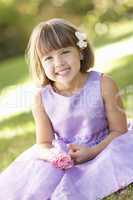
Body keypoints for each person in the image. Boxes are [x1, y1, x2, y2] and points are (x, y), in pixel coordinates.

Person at [0, 18, 133, 200]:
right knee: (40, 179)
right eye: (48, 58)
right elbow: (43, 144)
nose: (59, 62)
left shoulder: (103, 84)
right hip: (68, 154)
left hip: (106, 145)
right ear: (40, 64)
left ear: (80, 51)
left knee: (114, 158)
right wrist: (54, 156)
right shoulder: (41, 98)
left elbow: (120, 131)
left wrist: (93, 152)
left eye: (64, 52)